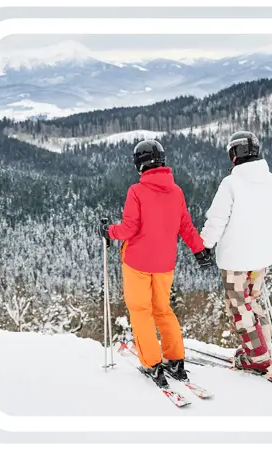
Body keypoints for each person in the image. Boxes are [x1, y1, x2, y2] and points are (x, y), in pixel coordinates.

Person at [97, 139, 212, 388]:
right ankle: (176, 360)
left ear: (140, 164)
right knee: (163, 310)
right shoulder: (176, 191)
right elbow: (186, 227)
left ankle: (151, 363)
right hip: (164, 264)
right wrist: (199, 250)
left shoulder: (136, 191)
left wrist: (109, 231)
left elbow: (128, 229)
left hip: (137, 263)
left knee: (141, 312)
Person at [200, 131, 272, 376]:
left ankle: (256, 356)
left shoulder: (231, 184)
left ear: (234, 154)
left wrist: (205, 245)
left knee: (239, 306)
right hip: (261, 257)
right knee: (252, 301)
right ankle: (262, 348)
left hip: (235, 259)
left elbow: (217, 219)